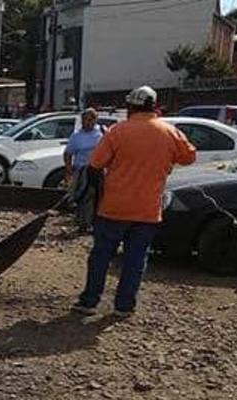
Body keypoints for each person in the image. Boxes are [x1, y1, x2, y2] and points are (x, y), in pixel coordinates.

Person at [72, 86, 196, 318]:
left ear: (130, 107)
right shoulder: (169, 131)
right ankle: (124, 306)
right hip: (147, 211)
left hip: (113, 208)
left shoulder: (118, 132)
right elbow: (189, 156)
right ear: (154, 106)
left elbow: (95, 166)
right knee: (135, 260)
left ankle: (89, 301)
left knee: (101, 256)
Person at [64, 108, 105, 231]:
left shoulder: (102, 133)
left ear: (95, 120)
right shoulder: (77, 136)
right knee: (84, 197)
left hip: (98, 170)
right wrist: (69, 168)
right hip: (83, 170)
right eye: (85, 119)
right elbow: (68, 153)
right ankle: (83, 223)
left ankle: (96, 223)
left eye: (91, 119)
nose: (88, 122)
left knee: (99, 197)